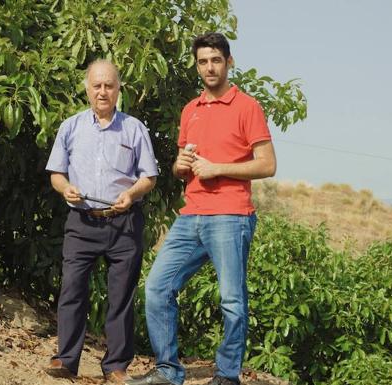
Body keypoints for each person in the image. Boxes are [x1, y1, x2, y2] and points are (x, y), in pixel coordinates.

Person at [126, 33, 277, 385]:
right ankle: (167, 370)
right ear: (197, 66)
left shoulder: (247, 107)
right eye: (203, 62)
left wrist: (218, 168)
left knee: (231, 300)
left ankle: (226, 375)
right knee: (158, 287)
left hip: (231, 215)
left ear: (229, 62)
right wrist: (181, 164)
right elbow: (184, 164)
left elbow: (267, 165)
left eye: (216, 60)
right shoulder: (190, 110)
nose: (210, 67)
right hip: (191, 214)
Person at [45, 59, 158, 384]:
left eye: (109, 85)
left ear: (118, 89)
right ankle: (66, 360)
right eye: (97, 85)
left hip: (124, 223)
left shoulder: (134, 128)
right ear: (87, 89)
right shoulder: (71, 127)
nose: (103, 91)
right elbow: (56, 173)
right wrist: (66, 188)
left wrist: (132, 194)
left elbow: (149, 177)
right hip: (81, 223)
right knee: (72, 290)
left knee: (121, 296)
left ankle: (116, 367)